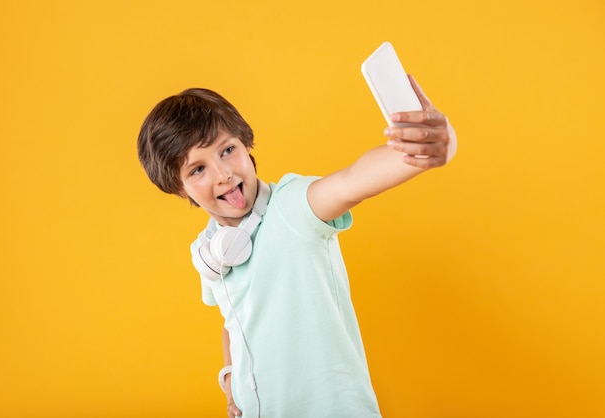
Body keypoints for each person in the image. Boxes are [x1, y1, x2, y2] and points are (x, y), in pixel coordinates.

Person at [137, 75, 456, 417]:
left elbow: (352, 182)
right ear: (180, 189)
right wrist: (230, 385)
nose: (222, 174)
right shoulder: (210, 250)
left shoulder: (293, 207)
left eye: (227, 150)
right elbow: (234, 319)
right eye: (198, 169)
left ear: (246, 145)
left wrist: (428, 148)